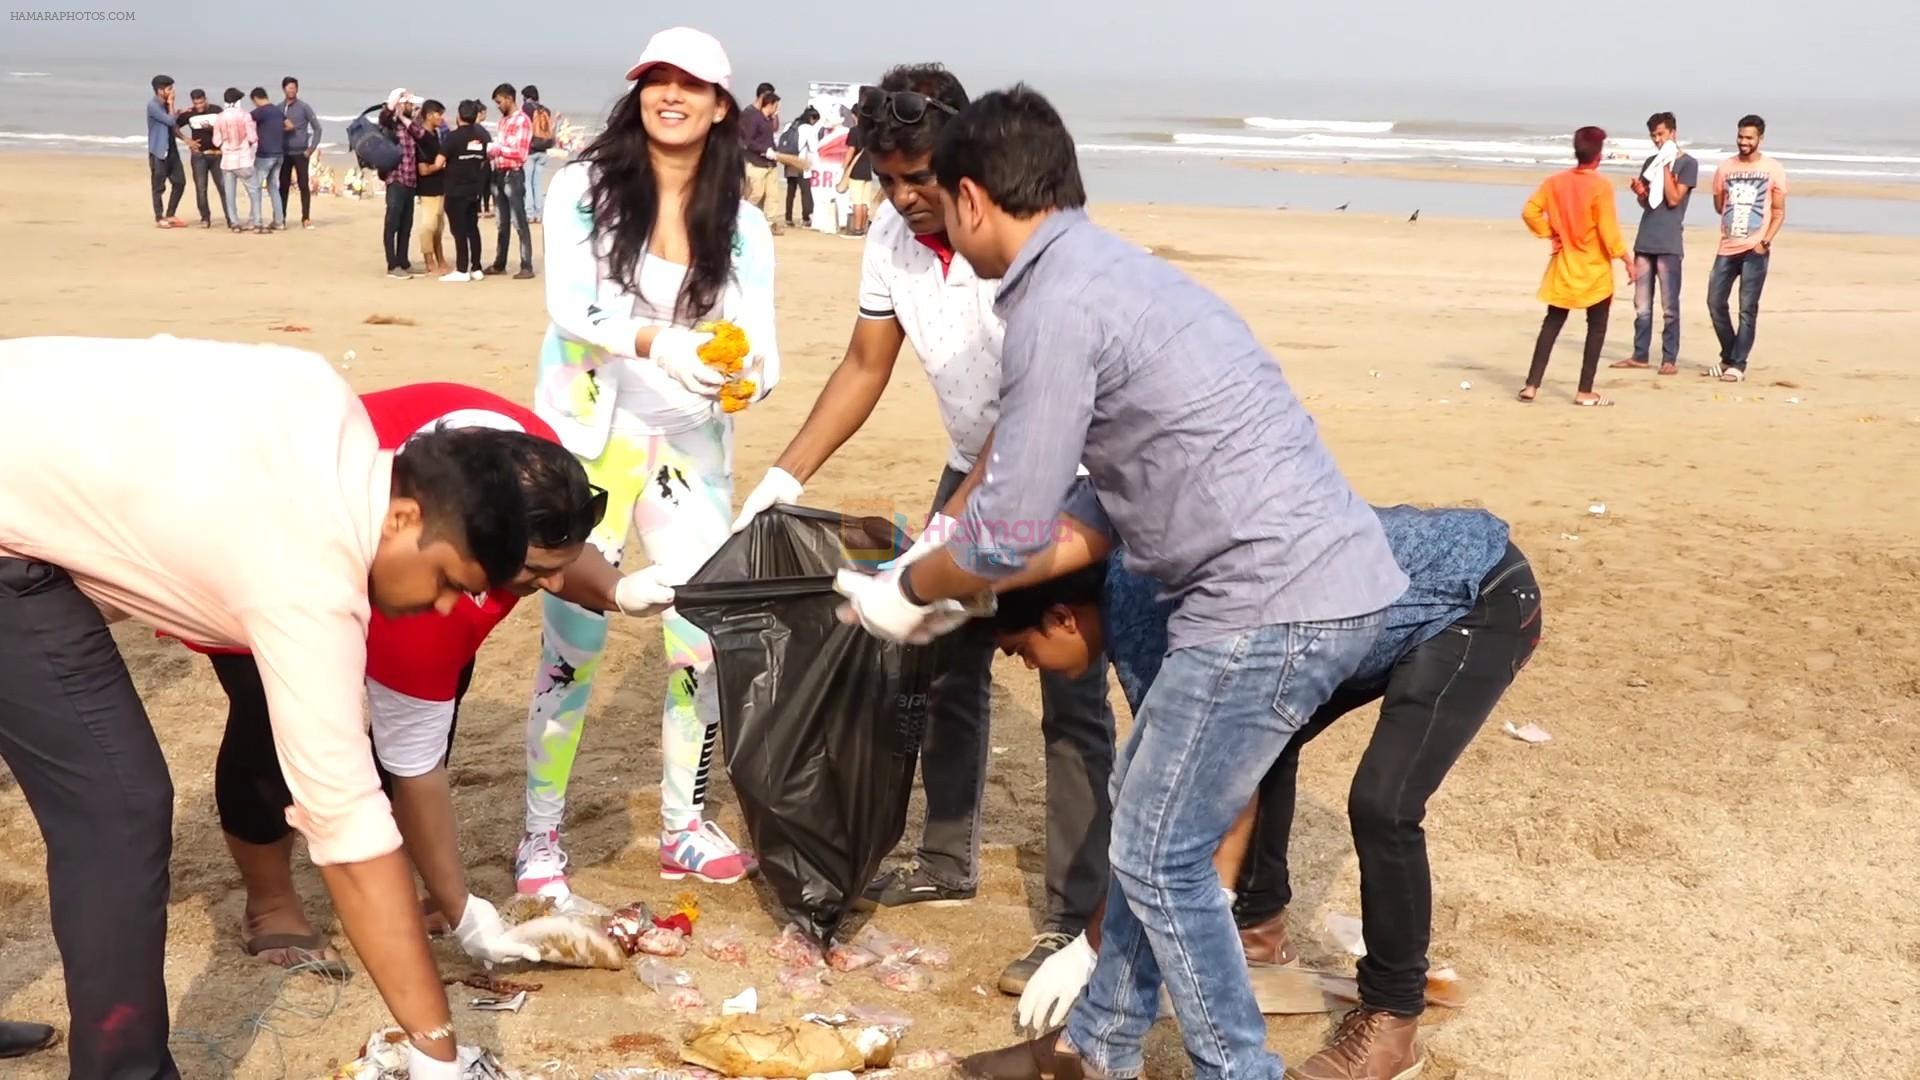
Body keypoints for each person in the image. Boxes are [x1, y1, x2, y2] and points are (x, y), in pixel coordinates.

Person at [833, 86, 1408, 1080]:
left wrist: (912, 584)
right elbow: (1088, 507)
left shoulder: (1057, 303)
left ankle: (1237, 1071)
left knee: (1156, 853)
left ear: (971, 198)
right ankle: (1098, 1052)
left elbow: (1010, 525)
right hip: (1307, 577)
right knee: (1159, 828)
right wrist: (957, 587)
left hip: (1270, 596)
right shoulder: (1107, 270)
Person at [0, 334, 546, 1080]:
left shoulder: (325, 402)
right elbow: (349, 830)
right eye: (450, 579)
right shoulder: (310, 574)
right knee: (117, 808)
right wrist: (437, 1051)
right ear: (403, 520)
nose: (445, 605)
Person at [734, 64, 1115, 995]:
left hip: (1070, 472)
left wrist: (946, 533)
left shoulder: (1020, 239)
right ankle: (947, 856)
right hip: (970, 460)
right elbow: (866, 364)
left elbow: (1031, 415)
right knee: (945, 670)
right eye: (887, 179)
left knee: (1072, 699)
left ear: (967, 166)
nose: (905, 198)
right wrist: (783, 477)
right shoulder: (893, 247)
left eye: (921, 179)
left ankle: (1074, 912)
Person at [980, 498, 1542, 1080]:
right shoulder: (1131, 592)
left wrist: (1096, 944)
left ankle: (1393, 1020)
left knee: (1384, 803)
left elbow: (1186, 798)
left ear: (1063, 617)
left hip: (1468, 593)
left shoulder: (1143, 609)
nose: (1028, 667)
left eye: (1020, 651)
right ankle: (1258, 928)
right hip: (1340, 614)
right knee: (1250, 747)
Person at [201, 382, 675, 972]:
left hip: (407, 538)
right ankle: (270, 902)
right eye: (533, 572)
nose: (551, 588)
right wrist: (467, 914)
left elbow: (557, 552)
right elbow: (416, 764)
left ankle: (398, 874)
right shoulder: (421, 595)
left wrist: (615, 589)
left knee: (437, 700)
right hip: (274, 545)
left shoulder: (534, 464)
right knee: (267, 719)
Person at [521, 25, 779, 897]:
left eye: (691, 85)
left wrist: (742, 377)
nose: (671, 95)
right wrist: (658, 343)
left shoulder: (743, 226)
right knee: (574, 646)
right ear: (638, 96)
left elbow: (766, 352)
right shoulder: (583, 189)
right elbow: (571, 304)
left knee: (699, 645)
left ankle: (683, 825)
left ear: (719, 108)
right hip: (592, 445)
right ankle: (540, 840)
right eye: (655, 81)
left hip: (691, 451)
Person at [1518, 126, 1633, 406]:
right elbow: (1608, 229)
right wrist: (1626, 259)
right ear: (1599, 154)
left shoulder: (1555, 182)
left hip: (1564, 266)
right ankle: (1584, 391)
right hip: (1594, 270)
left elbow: (1529, 211)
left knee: (1552, 323)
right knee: (1596, 328)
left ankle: (1531, 385)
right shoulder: (1600, 186)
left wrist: (1551, 233)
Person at [1706, 114, 1787, 384]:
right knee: (1715, 302)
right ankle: (1730, 355)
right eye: (1740, 136)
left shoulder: (1773, 169)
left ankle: (1737, 365)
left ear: (1760, 139)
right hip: (1727, 246)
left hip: (1755, 248)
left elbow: (1778, 212)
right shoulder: (1725, 168)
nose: (1743, 142)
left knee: (1746, 309)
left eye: (1749, 138)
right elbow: (1719, 204)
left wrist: (1765, 242)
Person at [1615, 111, 1697, 376]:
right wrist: (1640, 192)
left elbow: (1673, 199)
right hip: (1646, 237)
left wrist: (1665, 164)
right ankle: (1640, 355)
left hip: (1669, 241)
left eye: (1661, 135)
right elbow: (1649, 201)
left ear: (1673, 133)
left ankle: (1668, 358)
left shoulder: (1687, 164)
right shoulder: (1650, 161)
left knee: (1669, 305)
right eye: (1653, 136)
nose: (1658, 141)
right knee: (1641, 305)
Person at [487, 83, 536, 279]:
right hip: (498, 172)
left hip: (513, 174)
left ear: (509, 99)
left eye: (499, 102)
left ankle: (526, 264)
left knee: (518, 220)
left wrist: (497, 149)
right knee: (501, 221)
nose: (498, 106)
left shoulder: (522, 121)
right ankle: (500, 263)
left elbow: (520, 153)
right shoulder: (503, 122)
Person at [443, 100, 492, 282]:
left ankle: (462, 268)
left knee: (459, 230)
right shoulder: (482, 135)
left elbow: (440, 160)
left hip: (456, 189)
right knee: (472, 227)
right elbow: (485, 157)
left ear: (459, 115)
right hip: (474, 187)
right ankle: (476, 267)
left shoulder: (453, 137)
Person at [380, 88, 426, 278]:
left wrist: (406, 117)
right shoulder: (390, 125)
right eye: (409, 104)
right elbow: (384, 118)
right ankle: (393, 265)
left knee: (406, 225)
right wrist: (394, 105)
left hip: (410, 181)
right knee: (393, 223)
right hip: (396, 179)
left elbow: (421, 133)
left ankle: (403, 261)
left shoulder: (409, 124)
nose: (413, 107)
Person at [176, 88, 231, 229]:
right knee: (201, 188)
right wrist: (187, 140)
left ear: (205, 99)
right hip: (199, 156)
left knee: (223, 187)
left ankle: (231, 218)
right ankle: (205, 218)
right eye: (196, 103)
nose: (199, 106)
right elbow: (173, 126)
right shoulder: (189, 113)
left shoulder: (216, 110)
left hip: (217, 154)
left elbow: (227, 127)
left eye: (201, 102)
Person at [212, 87, 260, 235]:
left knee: (229, 194)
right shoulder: (245, 116)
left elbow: (216, 141)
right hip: (243, 159)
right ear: (238, 101)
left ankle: (234, 222)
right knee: (254, 191)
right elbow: (253, 138)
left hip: (227, 160)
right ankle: (256, 221)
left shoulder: (220, 117)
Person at [280, 76, 323, 230]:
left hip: (300, 153)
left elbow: (317, 128)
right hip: (284, 153)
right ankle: (281, 218)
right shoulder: (279, 108)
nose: (291, 90)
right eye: (288, 87)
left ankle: (306, 218)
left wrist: (311, 149)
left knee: (303, 185)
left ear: (297, 89)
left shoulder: (304, 107)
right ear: (283, 89)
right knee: (283, 186)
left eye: (294, 87)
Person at [146, 74, 187, 228]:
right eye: (169, 89)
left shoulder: (164, 106)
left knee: (180, 182)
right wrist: (172, 104)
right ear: (160, 90)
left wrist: (177, 112)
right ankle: (159, 217)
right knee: (158, 186)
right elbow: (170, 121)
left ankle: (170, 214)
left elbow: (171, 120)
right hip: (159, 151)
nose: (172, 92)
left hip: (172, 150)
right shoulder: (153, 105)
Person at [414, 100, 449, 277]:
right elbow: (423, 169)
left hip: (440, 186)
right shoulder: (423, 138)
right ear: (428, 115)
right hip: (428, 188)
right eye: (438, 114)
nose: (441, 118)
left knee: (439, 226)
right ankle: (429, 260)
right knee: (429, 225)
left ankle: (440, 258)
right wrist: (440, 166)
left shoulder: (436, 134)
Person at [740, 89, 781, 230]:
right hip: (756, 163)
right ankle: (741, 217)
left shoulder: (769, 120)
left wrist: (774, 151)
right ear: (769, 104)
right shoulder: (754, 118)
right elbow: (748, 141)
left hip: (770, 164)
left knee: (773, 195)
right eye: (776, 105)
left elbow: (770, 139)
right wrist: (764, 150)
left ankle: (769, 222)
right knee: (756, 193)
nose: (777, 109)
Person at [250, 87, 289, 232]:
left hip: (265, 154)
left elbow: (245, 120)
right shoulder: (277, 110)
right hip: (279, 154)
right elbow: (290, 125)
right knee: (273, 187)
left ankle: (256, 220)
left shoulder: (260, 111)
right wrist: (276, 130)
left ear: (255, 99)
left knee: (256, 187)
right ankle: (279, 221)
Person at [781, 107, 820, 227]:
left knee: (790, 192)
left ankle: (788, 218)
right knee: (805, 191)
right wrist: (814, 165)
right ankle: (806, 218)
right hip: (801, 163)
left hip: (788, 162)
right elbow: (813, 148)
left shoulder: (790, 125)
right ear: (811, 118)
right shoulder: (808, 128)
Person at [523, 84, 554, 223]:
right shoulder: (545, 109)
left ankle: (530, 214)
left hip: (530, 150)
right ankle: (539, 214)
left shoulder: (526, 108)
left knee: (527, 183)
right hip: (544, 149)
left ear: (526, 96)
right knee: (538, 184)